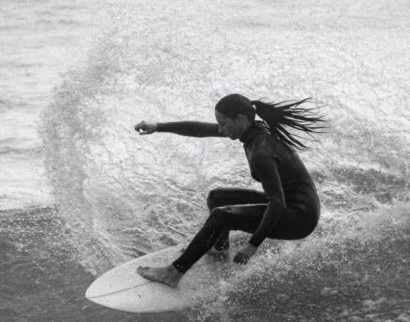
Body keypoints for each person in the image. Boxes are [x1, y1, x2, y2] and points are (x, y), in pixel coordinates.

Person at [133, 93, 325, 288]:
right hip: (291, 204)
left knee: (220, 216)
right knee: (217, 197)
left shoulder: (261, 151)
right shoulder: (254, 130)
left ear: (240, 119)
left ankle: (173, 273)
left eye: (223, 123)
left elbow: (277, 203)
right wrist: (157, 127)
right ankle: (220, 247)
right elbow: (201, 129)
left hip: (300, 218)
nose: (220, 128)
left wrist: (252, 245)